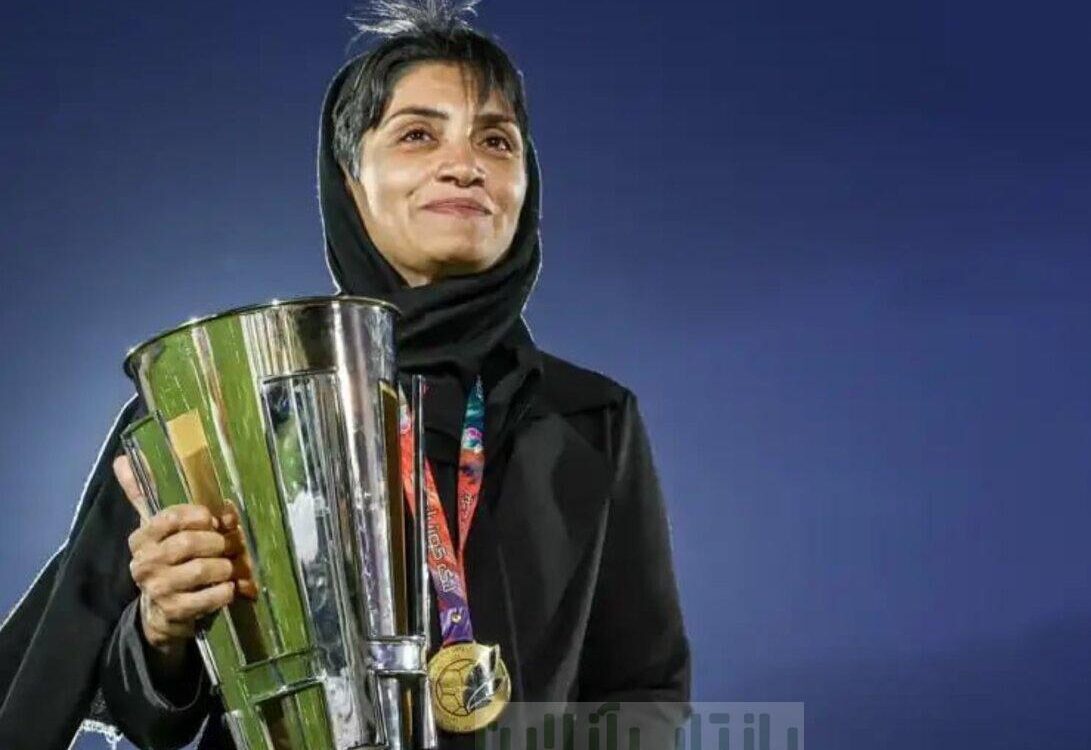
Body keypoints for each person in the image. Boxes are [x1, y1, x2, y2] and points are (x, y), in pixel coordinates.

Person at [0, 2, 692, 748]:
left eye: (496, 140)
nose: (465, 165)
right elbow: (147, 713)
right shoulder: (230, 400)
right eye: (418, 134)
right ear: (350, 181)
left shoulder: (591, 417)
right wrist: (162, 627)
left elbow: (644, 688)